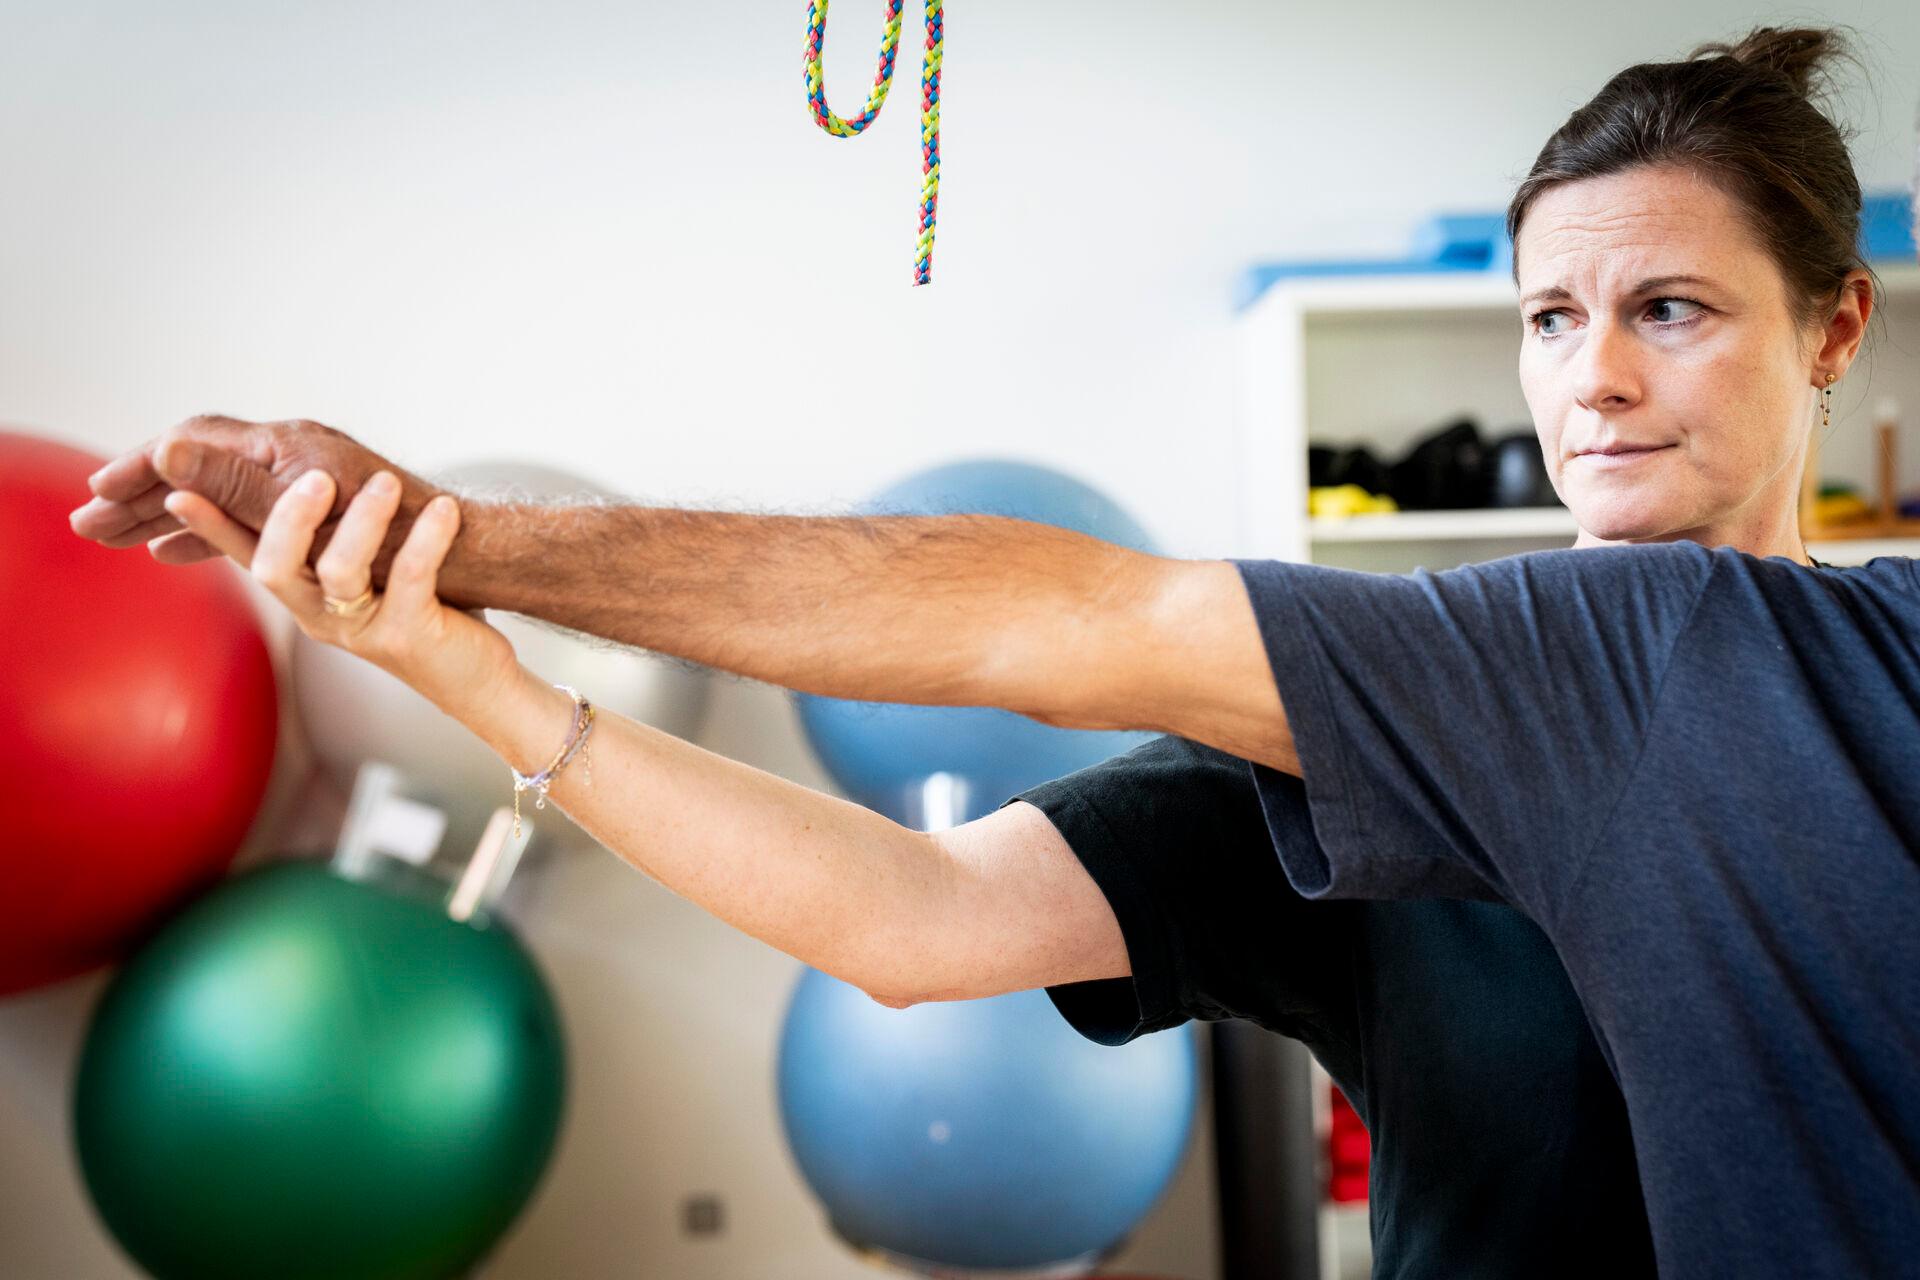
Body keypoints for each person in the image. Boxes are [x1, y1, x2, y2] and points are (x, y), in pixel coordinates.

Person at [68, 25, 1920, 1278]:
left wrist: (458, 532)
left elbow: (1058, 615)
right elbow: (914, 918)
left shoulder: (1874, 655)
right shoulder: (1417, 708)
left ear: (1836, 330)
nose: (1590, 376)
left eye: (1668, 310)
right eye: (1549, 314)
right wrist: (467, 666)